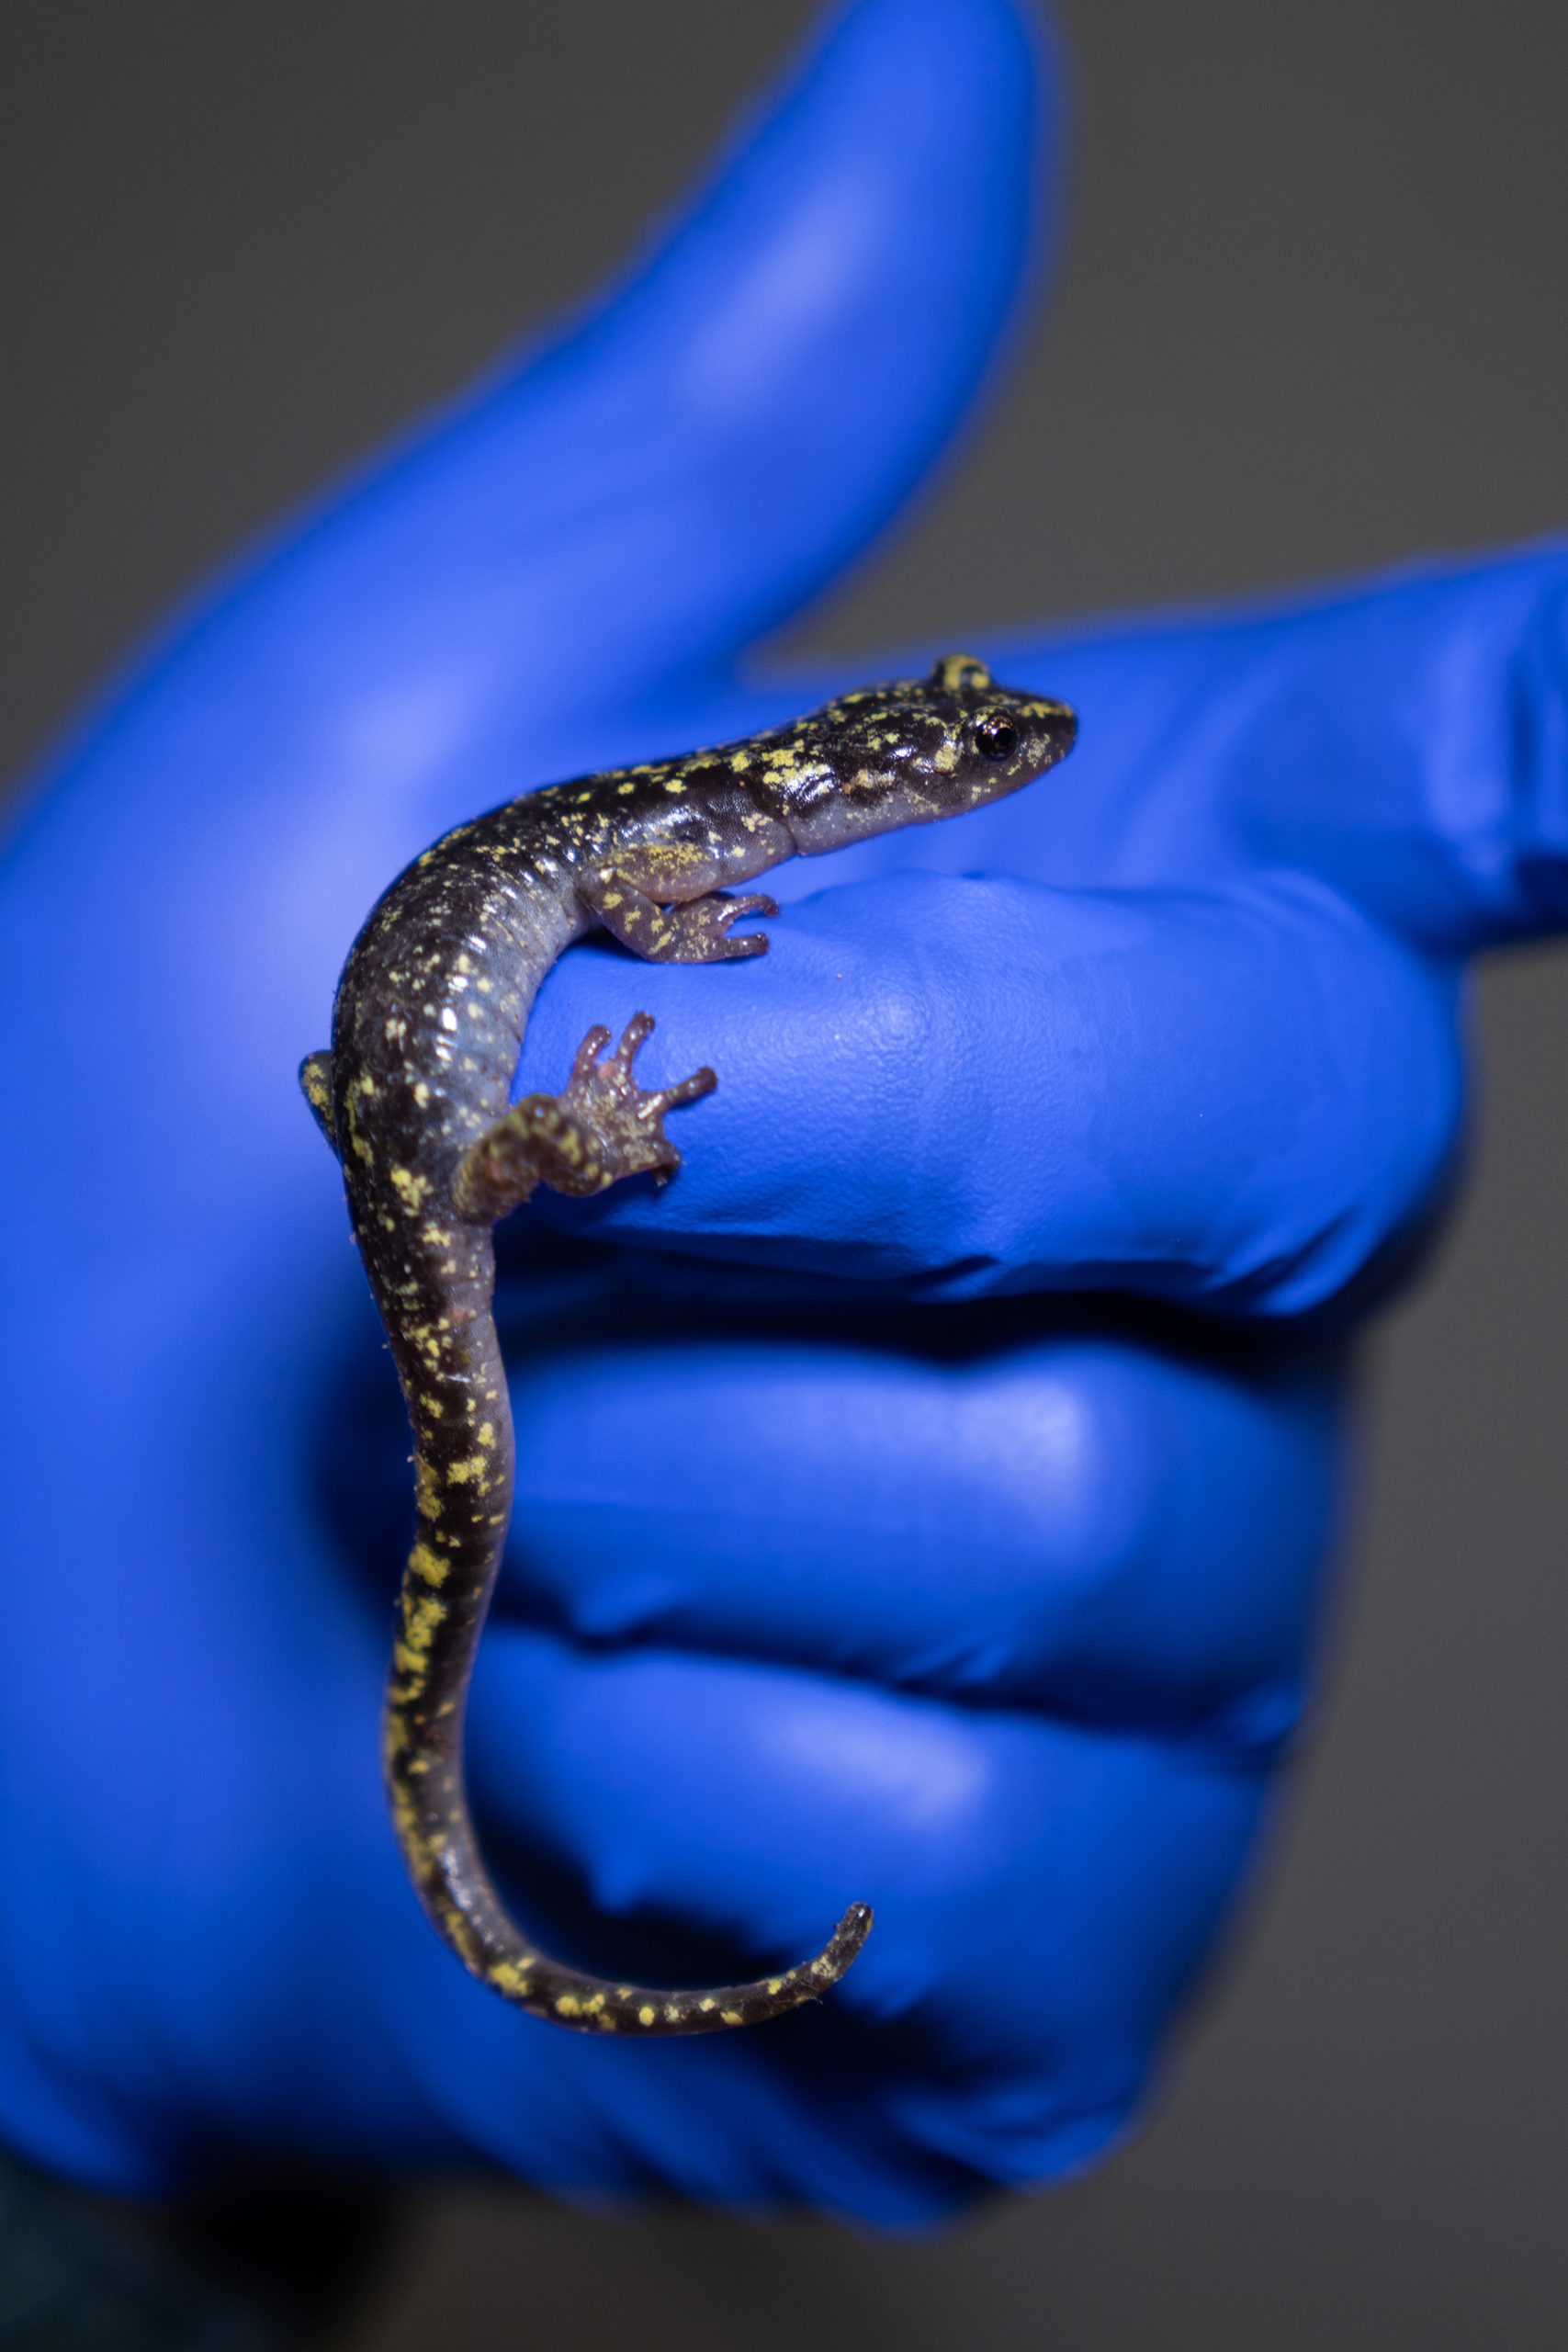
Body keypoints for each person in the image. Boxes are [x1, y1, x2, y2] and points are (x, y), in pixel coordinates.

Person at [2, 0, 1562, 2256]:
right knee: (505, 1349)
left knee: (487, 1442)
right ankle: (472, 1862)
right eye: (967, 752)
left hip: (412, 1104)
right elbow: (628, 916)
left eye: (983, 752)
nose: (989, 755)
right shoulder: (686, 842)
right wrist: (580, 1130)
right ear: (881, 775)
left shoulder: (721, 827)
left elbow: (628, 915)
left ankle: (471, 1877)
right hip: (435, 1132)